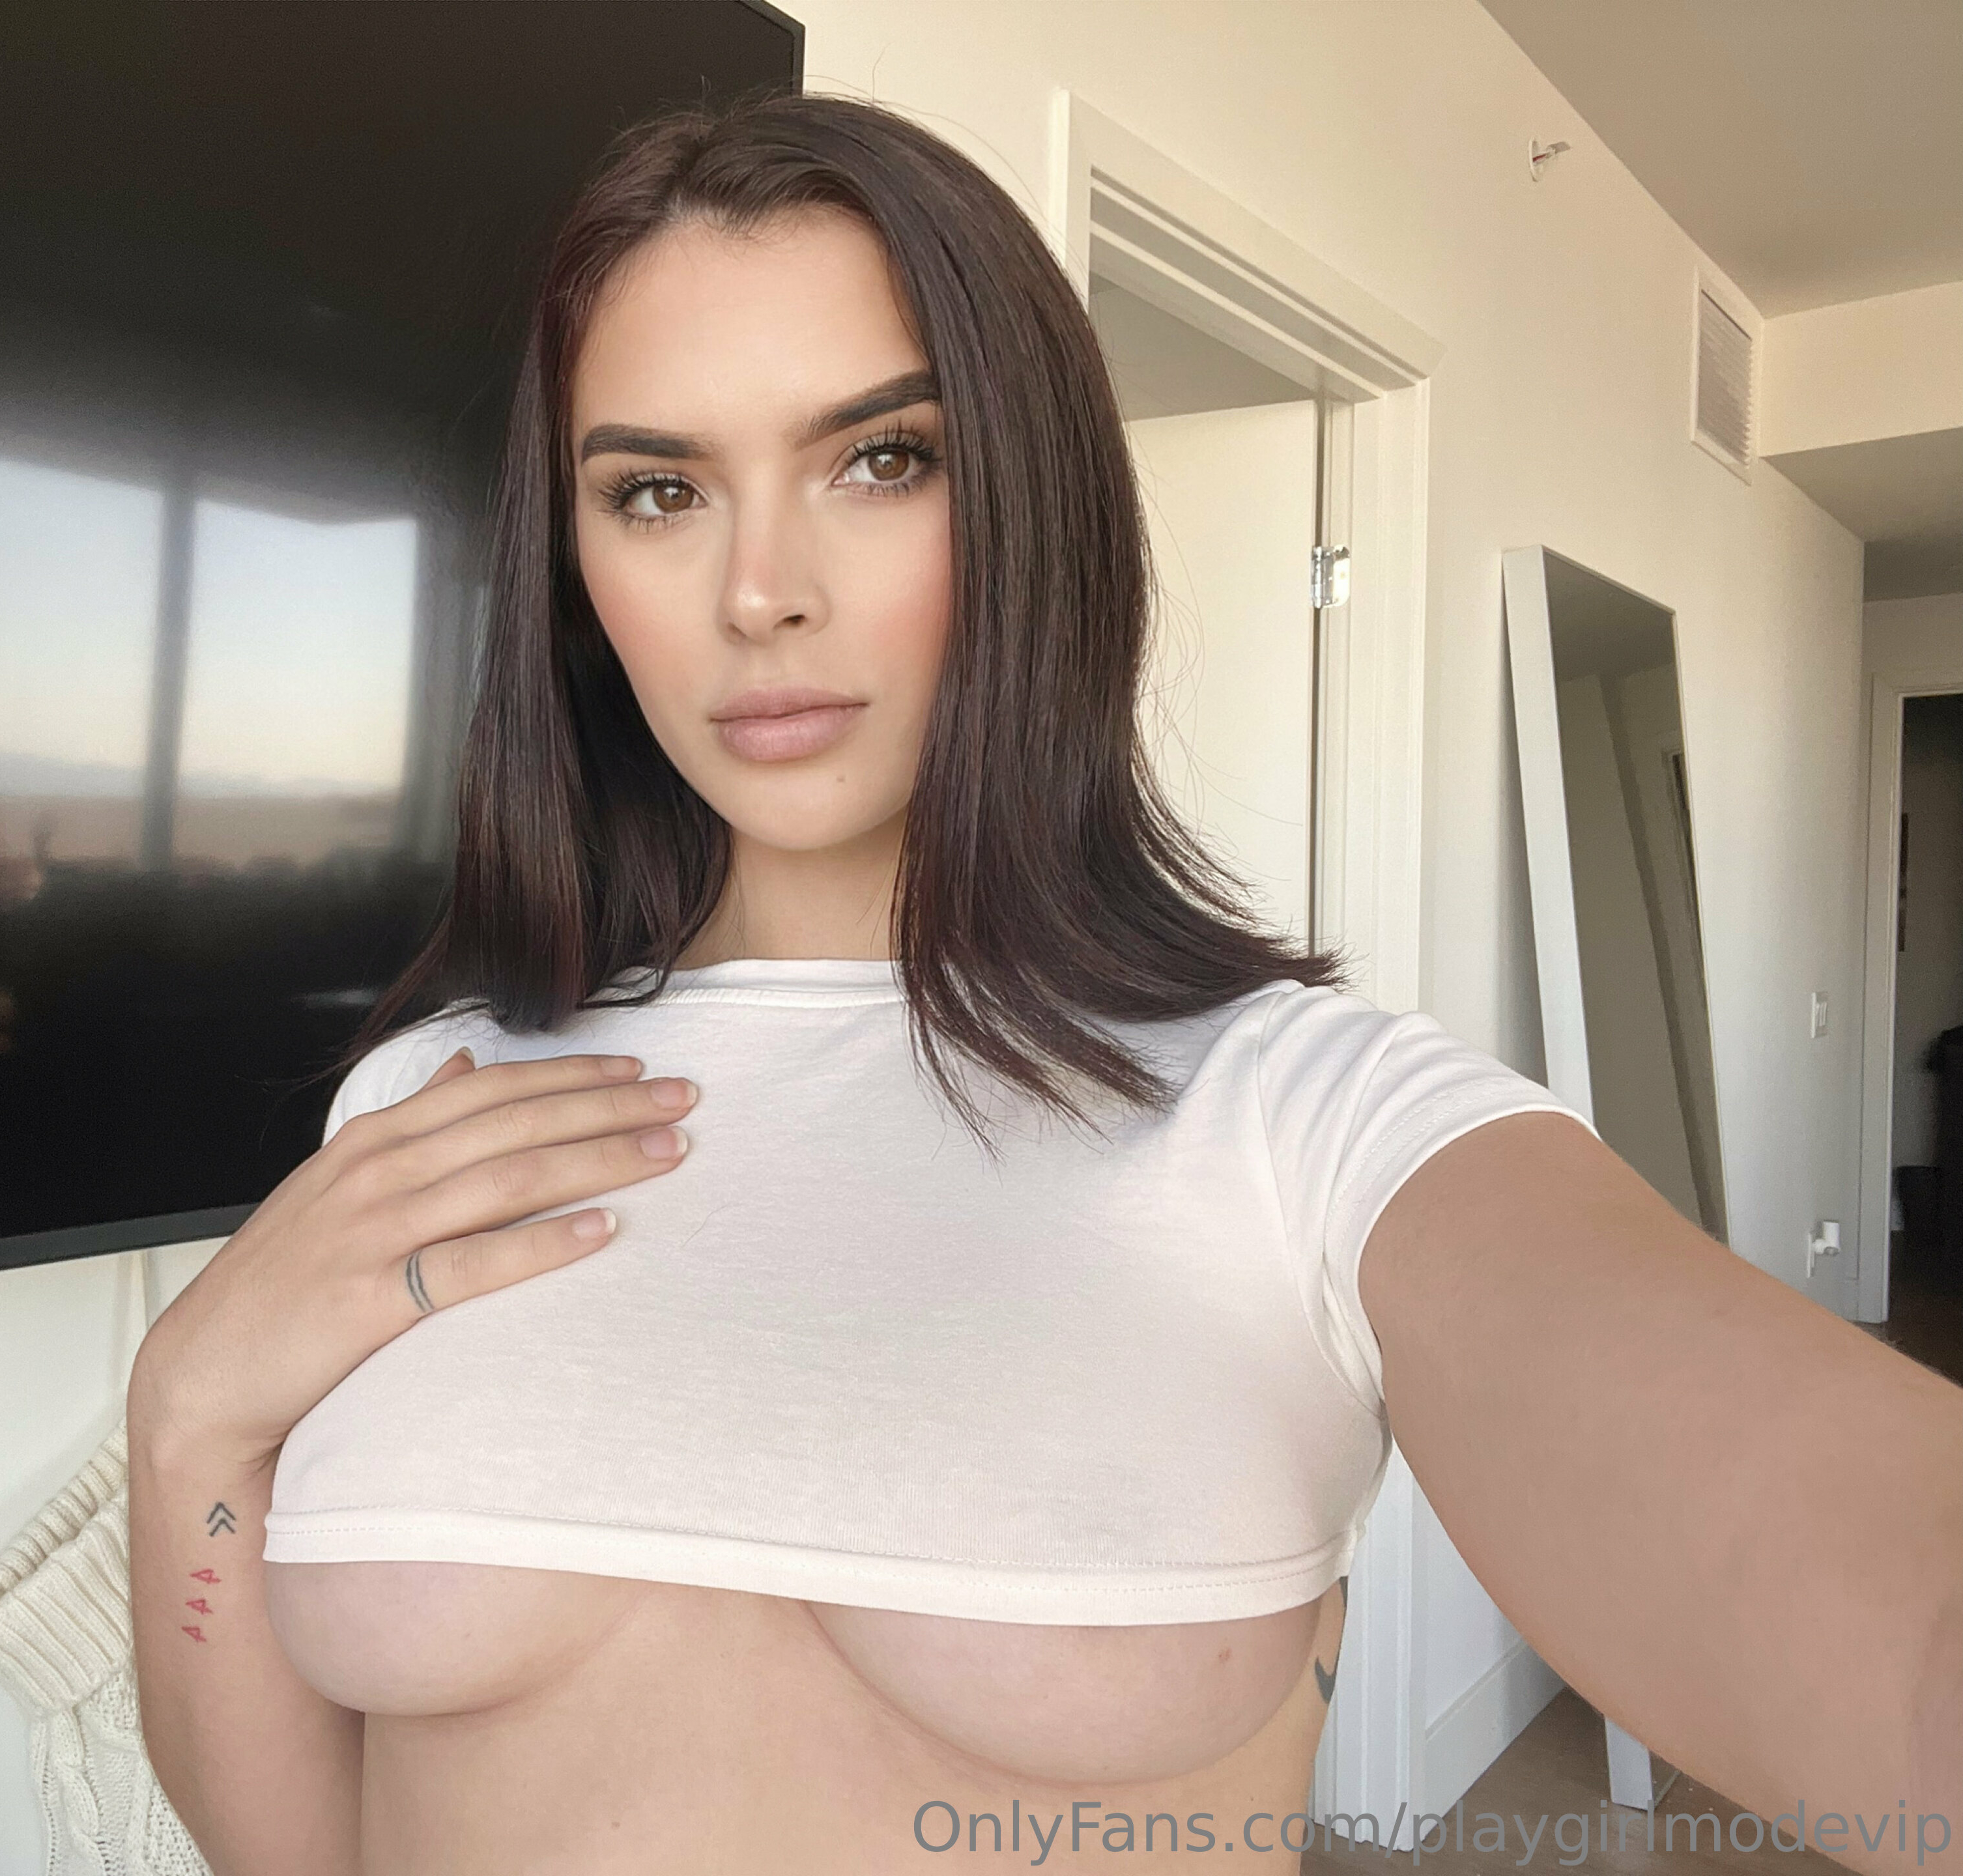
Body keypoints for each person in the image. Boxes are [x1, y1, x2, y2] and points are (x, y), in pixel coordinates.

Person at [126, 94, 1963, 1874]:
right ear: (576, 566)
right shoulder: (430, 1102)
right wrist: (187, 1406)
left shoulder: (1309, 1120)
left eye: (880, 460)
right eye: (659, 490)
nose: (759, 591)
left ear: (1034, 505)